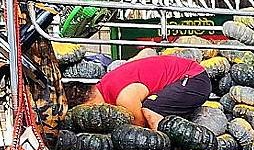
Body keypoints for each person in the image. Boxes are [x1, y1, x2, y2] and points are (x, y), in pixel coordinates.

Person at [73, 53, 211, 129]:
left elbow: (139, 127)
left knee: (150, 111)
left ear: (89, 104)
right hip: (185, 79)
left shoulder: (124, 98)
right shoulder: (104, 83)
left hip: (194, 78)